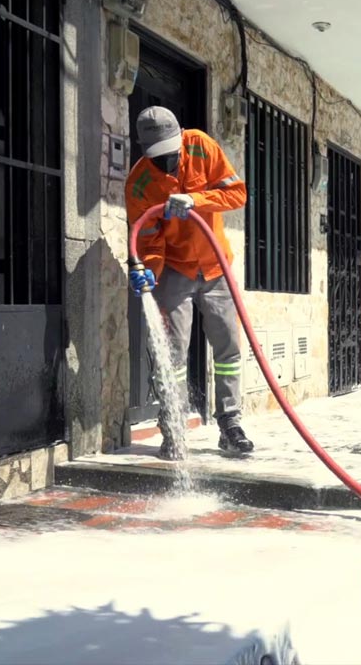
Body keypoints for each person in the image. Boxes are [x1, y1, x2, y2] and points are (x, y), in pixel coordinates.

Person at [125, 106, 254, 459]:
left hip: (215, 267)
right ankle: (173, 430)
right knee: (172, 352)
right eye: (157, 157)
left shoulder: (201, 146)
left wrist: (197, 199)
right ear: (144, 151)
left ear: (181, 136)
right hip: (175, 271)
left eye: (171, 153)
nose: (166, 162)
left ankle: (230, 425)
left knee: (228, 348)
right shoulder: (139, 183)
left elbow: (237, 194)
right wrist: (148, 270)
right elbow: (149, 240)